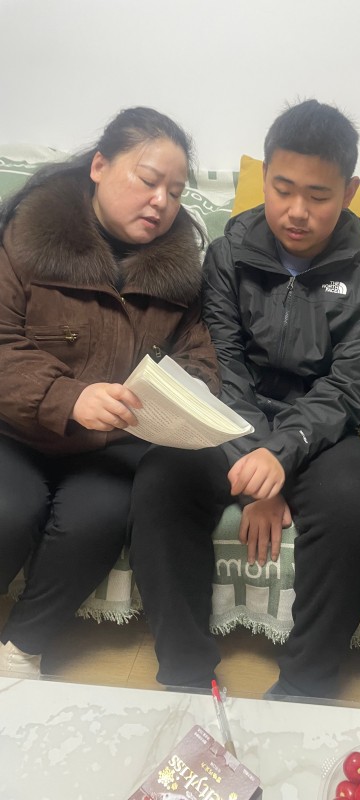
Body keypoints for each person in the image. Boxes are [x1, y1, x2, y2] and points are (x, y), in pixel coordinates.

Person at [129, 98, 360, 697]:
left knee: (355, 500)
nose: (297, 211)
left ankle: (307, 683)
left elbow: (350, 384)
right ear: (265, 177)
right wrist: (255, 466)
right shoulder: (227, 255)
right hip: (231, 415)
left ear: (350, 192)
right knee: (161, 477)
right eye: (282, 189)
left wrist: (282, 456)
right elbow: (223, 362)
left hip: (321, 430)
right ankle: (185, 672)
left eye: (319, 195)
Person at [0, 107, 219, 678]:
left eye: (175, 192)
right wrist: (67, 397)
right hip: (15, 432)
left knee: (97, 518)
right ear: (99, 166)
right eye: (147, 181)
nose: (161, 202)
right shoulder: (27, 234)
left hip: (108, 449)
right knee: (9, 509)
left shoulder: (180, 269)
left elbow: (199, 360)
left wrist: (171, 400)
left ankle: (23, 649)